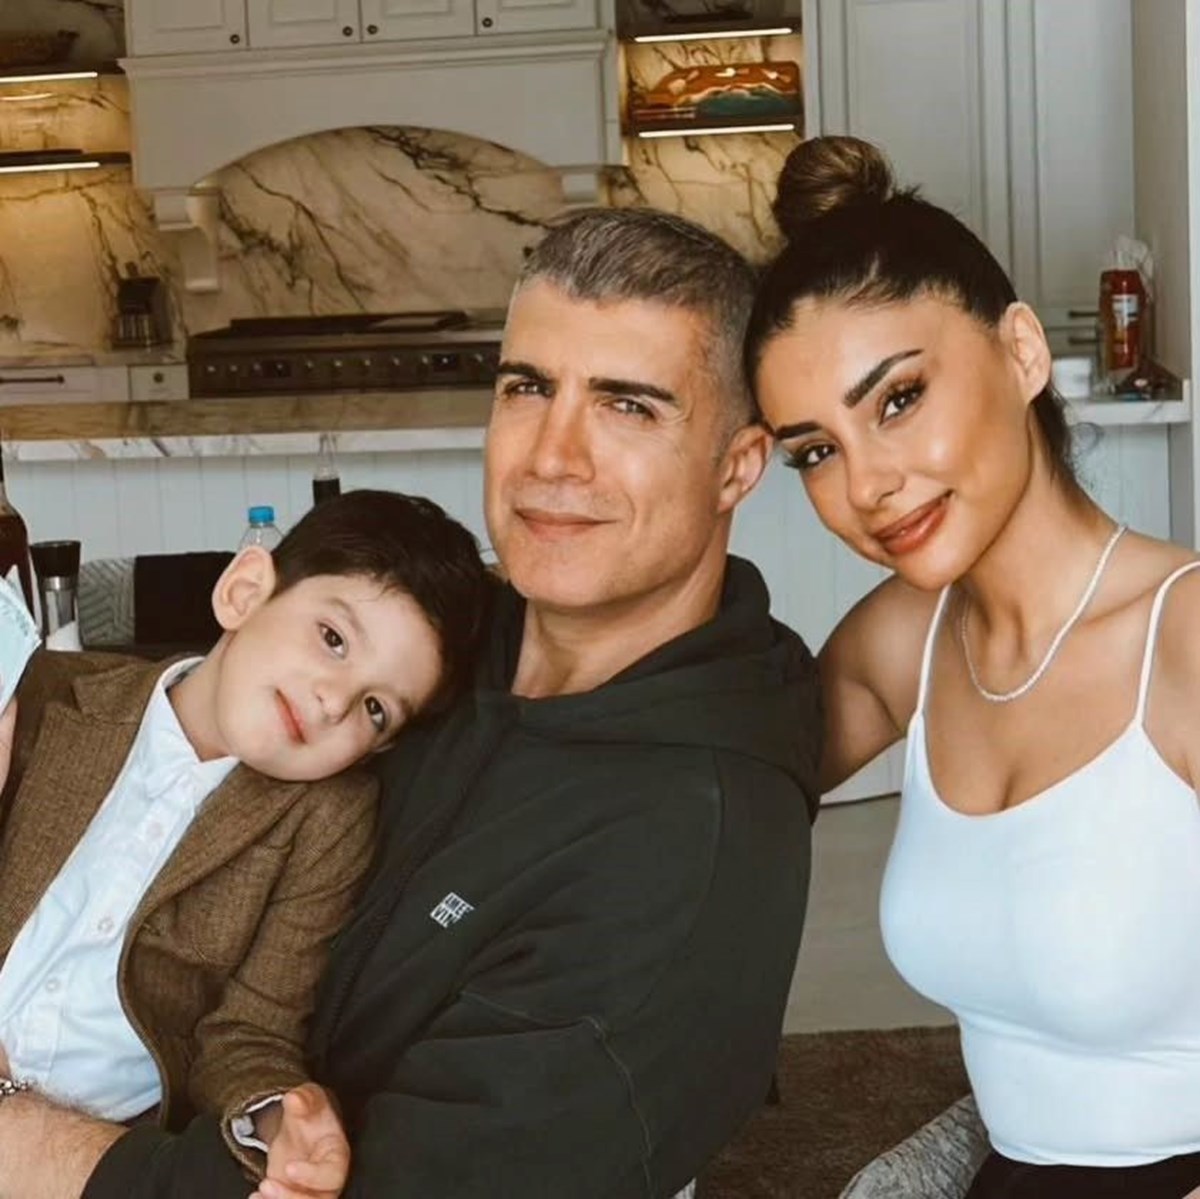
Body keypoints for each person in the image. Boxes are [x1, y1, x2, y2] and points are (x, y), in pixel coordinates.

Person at [0, 207, 821, 1199]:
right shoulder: (458, 636)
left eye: (629, 406)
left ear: (738, 465)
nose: (553, 457)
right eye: (528, 387)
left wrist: (33, 1145)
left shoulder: (691, 849)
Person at [747, 134, 1200, 1198]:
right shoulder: (903, 642)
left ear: (1023, 353)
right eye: (815, 451)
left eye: (898, 398)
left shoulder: (1181, 637)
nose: (867, 485)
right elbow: (700, 789)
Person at [0, 489, 492, 1197]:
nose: (333, 701)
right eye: (333, 638)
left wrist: (275, 1117)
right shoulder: (49, 694)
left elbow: (249, 1031)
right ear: (244, 592)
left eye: (375, 708)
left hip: (87, 1153)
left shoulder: (327, 822)